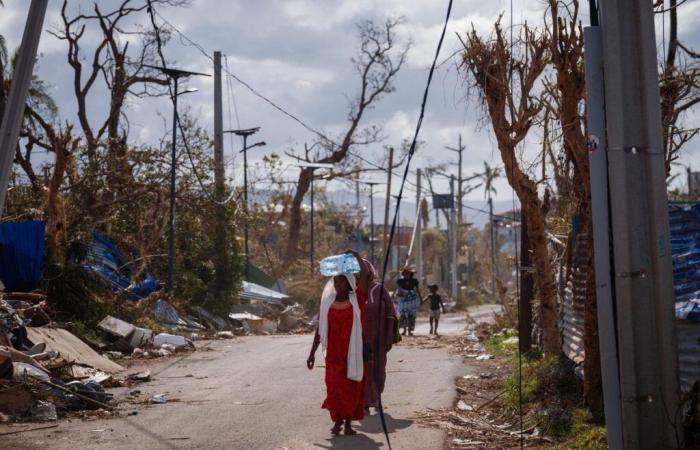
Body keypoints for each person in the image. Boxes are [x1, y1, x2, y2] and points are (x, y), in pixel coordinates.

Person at [307, 274, 364, 436]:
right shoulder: (327, 304)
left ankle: (347, 423)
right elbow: (320, 330)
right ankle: (338, 420)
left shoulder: (356, 301)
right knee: (334, 387)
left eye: (342, 281)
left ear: (349, 283)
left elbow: (366, 278)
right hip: (333, 354)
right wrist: (311, 354)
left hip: (352, 352)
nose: (338, 284)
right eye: (336, 281)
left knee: (350, 387)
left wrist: (355, 256)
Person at [345, 249, 397, 412]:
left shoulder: (380, 289)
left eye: (364, 271)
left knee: (379, 369)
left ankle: (377, 397)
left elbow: (391, 313)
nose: (361, 275)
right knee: (364, 369)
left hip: (380, 338)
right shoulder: (353, 292)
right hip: (360, 338)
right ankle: (366, 401)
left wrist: (389, 336)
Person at [395, 266, 422, 336]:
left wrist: (421, 299)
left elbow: (418, 290)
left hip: (413, 301)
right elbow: (398, 290)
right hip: (403, 301)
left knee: (411, 316)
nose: (407, 275)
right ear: (403, 274)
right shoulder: (400, 281)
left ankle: (410, 330)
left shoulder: (414, 281)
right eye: (405, 273)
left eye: (408, 273)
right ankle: (404, 330)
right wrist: (398, 294)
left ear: (411, 274)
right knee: (403, 316)